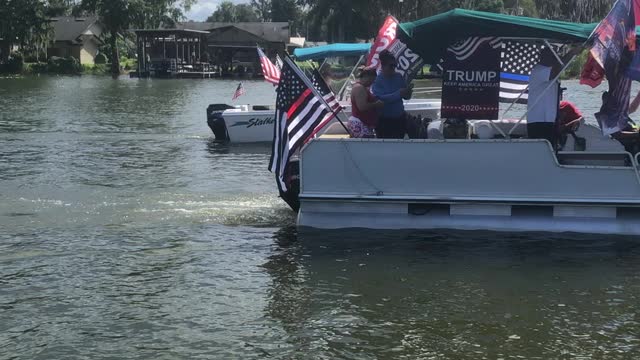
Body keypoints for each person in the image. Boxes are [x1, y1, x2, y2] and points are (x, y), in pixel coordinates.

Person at [372, 50, 413, 139]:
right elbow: (379, 98)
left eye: (395, 66)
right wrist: (398, 94)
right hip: (384, 120)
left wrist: (408, 92)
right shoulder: (377, 79)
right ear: (383, 66)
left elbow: (405, 96)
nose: (393, 68)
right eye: (391, 66)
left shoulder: (398, 77)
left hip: (399, 119)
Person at [527, 47, 561, 145]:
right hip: (538, 120)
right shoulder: (538, 70)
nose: (555, 58)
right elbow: (557, 69)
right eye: (553, 55)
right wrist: (573, 52)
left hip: (549, 119)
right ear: (542, 56)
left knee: (552, 147)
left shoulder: (547, 71)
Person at [348, 67, 384, 138]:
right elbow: (362, 107)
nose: (372, 83)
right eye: (372, 80)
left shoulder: (364, 88)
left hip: (364, 123)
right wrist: (376, 104)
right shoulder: (359, 88)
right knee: (367, 146)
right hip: (359, 123)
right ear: (366, 77)